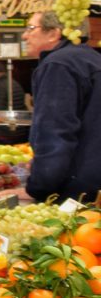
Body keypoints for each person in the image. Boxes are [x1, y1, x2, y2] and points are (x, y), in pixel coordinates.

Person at [20, 12, 101, 201]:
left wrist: (38, 187)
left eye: (31, 28)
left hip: (76, 191)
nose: (25, 35)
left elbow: (55, 132)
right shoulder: (92, 59)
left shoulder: (58, 65)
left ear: (54, 34)